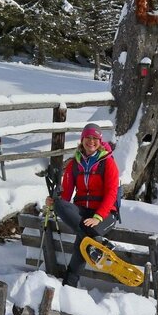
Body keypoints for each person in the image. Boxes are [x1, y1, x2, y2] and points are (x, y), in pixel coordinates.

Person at [45, 123, 120, 287]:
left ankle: (69, 284)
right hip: (82, 213)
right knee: (60, 205)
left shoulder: (108, 163)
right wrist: (54, 201)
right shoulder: (74, 163)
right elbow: (65, 195)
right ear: (82, 139)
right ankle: (97, 242)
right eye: (88, 137)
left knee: (84, 237)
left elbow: (111, 194)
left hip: (106, 214)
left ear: (100, 141)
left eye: (95, 138)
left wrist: (98, 217)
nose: (91, 141)